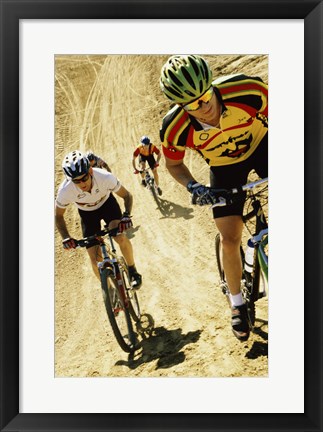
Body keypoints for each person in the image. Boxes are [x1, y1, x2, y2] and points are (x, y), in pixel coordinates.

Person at [159, 55, 268, 341]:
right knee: (230, 237)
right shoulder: (175, 127)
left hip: (262, 145)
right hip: (225, 167)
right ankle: (236, 304)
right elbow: (173, 165)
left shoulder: (247, 90)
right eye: (193, 104)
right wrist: (194, 187)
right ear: (181, 106)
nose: (204, 107)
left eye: (206, 96)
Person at [55, 150, 142, 289]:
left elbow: (127, 196)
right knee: (95, 259)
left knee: (119, 236)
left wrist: (126, 216)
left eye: (84, 178)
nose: (82, 183)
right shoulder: (65, 190)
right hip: (87, 214)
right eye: (76, 181)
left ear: (90, 171)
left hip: (108, 206)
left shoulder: (104, 177)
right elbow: (58, 216)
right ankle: (108, 290)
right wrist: (65, 237)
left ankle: (133, 270)